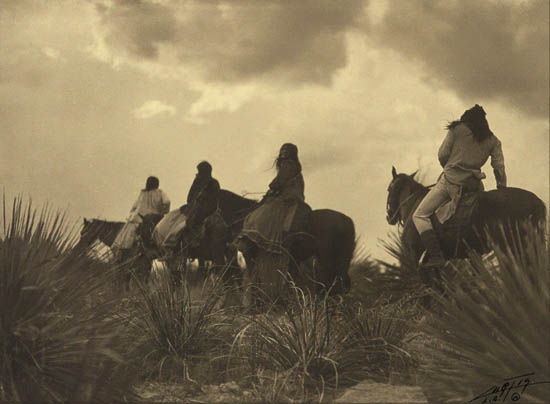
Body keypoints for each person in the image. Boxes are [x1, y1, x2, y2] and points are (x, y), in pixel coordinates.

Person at [412, 104, 507, 268]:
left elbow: (442, 154)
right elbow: (499, 167)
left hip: (449, 182)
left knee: (420, 215)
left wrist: (450, 167)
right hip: (473, 186)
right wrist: (501, 188)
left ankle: (436, 256)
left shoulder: (456, 129)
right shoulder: (493, 140)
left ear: (466, 119)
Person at [236, 143, 310, 255]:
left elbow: (279, 181)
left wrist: (272, 187)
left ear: (291, 153)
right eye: (282, 150)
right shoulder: (294, 166)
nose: (283, 153)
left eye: (286, 151)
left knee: (264, 212)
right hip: (293, 196)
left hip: (288, 197)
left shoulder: (288, 165)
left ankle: (261, 240)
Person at [112, 176, 171, 254]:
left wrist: (133, 214)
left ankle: (124, 249)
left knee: (128, 232)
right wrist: (163, 211)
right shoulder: (160, 193)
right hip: (155, 218)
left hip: (140, 217)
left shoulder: (143, 193)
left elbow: (135, 207)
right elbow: (167, 202)